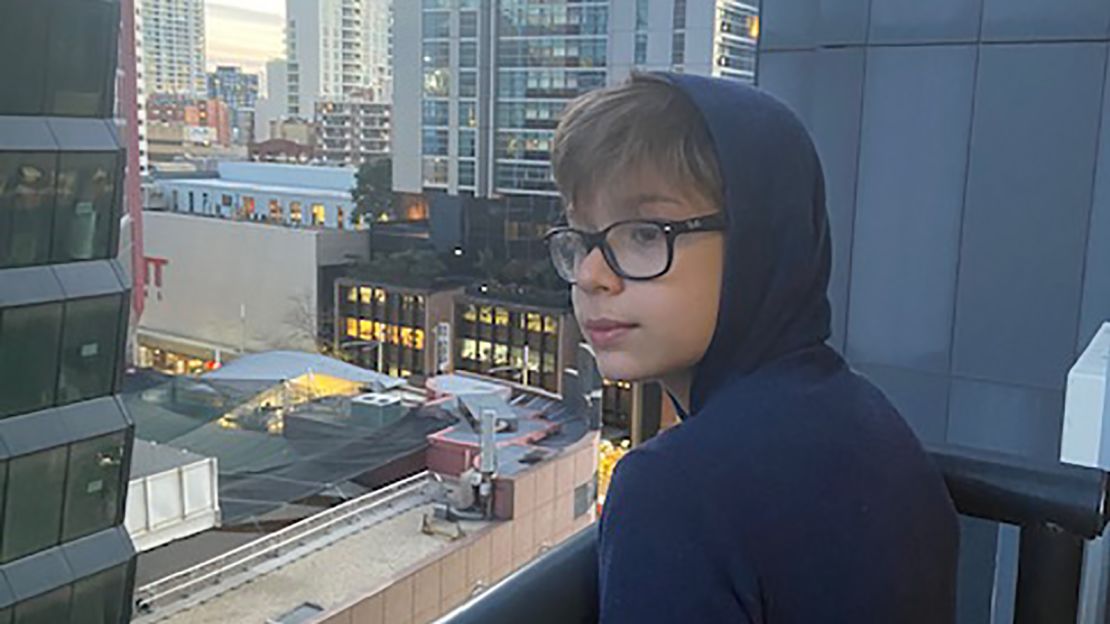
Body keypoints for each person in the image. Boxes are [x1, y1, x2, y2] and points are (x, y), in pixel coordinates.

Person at [546, 72, 959, 623]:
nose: (593, 275)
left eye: (645, 233)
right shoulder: (867, 419)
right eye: (582, 238)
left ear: (758, 243)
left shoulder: (676, 489)